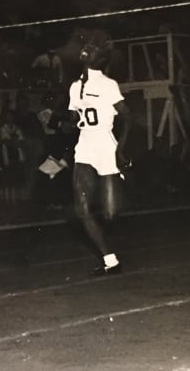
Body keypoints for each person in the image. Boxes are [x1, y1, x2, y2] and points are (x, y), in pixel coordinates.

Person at [68, 37, 131, 274]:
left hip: (106, 144)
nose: (85, 49)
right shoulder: (75, 86)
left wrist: (121, 148)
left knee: (111, 213)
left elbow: (128, 117)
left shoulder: (108, 84)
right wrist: (67, 121)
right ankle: (110, 260)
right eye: (85, 46)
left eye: (91, 48)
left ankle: (121, 179)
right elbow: (76, 118)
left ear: (100, 59)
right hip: (85, 144)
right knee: (81, 209)